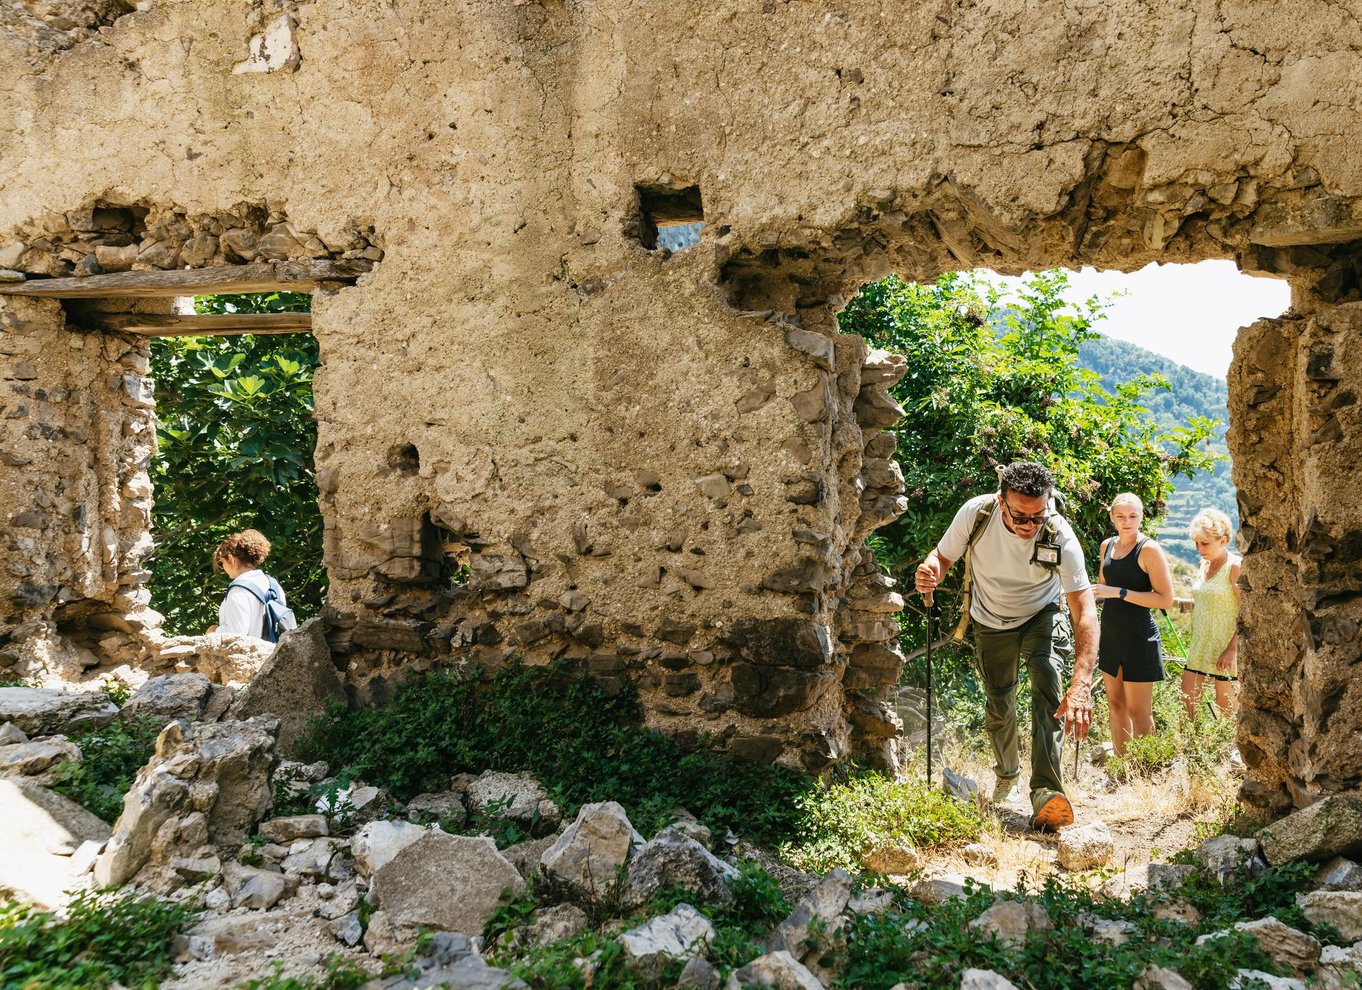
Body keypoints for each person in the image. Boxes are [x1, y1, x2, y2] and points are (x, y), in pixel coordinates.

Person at [915, 461, 1098, 832]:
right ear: (1001, 503)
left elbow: (1085, 610)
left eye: (1037, 516)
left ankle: (1046, 791)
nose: (1029, 526)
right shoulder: (976, 513)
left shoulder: (1059, 534)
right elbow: (943, 556)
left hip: (1041, 614)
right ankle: (1007, 773)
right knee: (1000, 704)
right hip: (990, 619)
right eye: (1020, 516)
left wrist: (1081, 683)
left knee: (1049, 683)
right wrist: (930, 570)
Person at [1091, 493, 1174, 755]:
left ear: (1141, 517)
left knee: (1139, 712)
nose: (1127, 522)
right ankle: (1121, 767)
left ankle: (1145, 772)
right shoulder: (1107, 546)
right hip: (1111, 634)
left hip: (1139, 637)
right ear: (1112, 518)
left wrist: (1120, 592)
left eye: (1133, 516)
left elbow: (1165, 599)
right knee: (1115, 705)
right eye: (1121, 516)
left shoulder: (1149, 549)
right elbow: (1103, 586)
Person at [1172, 508, 1241, 719]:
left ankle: (1225, 753)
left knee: (1226, 715)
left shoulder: (1235, 566)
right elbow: (1208, 601)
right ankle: (1189, 750)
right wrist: (1176, 602)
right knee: (1187, 709)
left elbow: (1248, 612)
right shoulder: (1204, 564)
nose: (1199, 549)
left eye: (1205, 543)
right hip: (1200, 646)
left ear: (1223, 540)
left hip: (1226, 650)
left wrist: (1232, 650)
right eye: (1196, 543)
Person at [207, 529, 287, 642]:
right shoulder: (273, 585)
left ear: (230, 559)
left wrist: (213, 631)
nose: (222, 568)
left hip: (251, 657)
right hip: (276, 654)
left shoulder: (238, 589)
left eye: (221, 562)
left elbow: (235, 633)